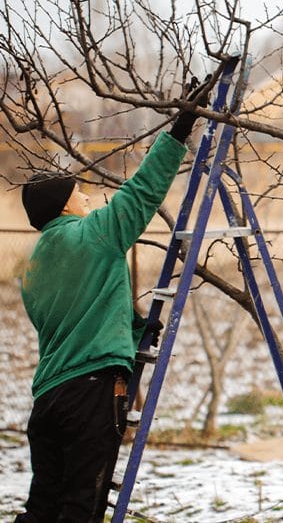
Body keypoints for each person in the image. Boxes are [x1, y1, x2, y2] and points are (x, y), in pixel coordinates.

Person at [15, 81, 208, 523]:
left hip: (48, 400)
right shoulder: (93, 236)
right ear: (64, 206)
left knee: (43, 507)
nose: (87, 198)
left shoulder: (35, 266)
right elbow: (141, 193)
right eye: (78, 193)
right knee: (81, 508)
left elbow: (81, 316)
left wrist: (135, 328)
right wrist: (179, 129)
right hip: (91, 394)